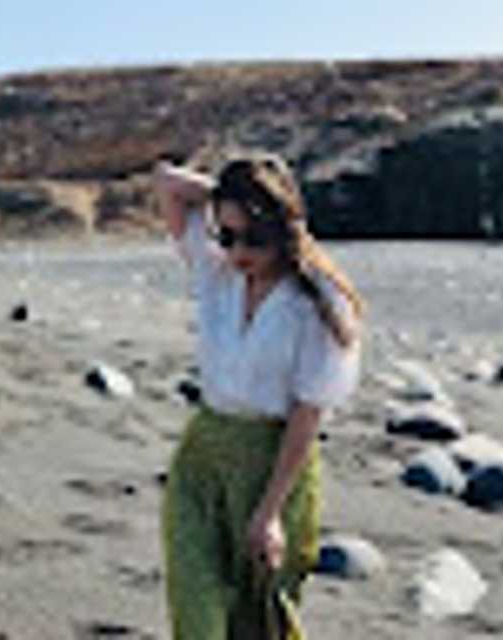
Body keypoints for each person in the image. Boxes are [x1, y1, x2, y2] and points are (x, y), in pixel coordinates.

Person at [153, 150, 364, 640]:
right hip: (202, 460)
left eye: (255, 237)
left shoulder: (319, 301)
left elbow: (307, 415)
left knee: (255, 624)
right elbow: (166, 182)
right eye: (227, 235)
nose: (239, 251)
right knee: (196, 610)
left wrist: (269, 515)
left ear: (283, 229)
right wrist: (229, 197)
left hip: (273, 464)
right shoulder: (216, 272)